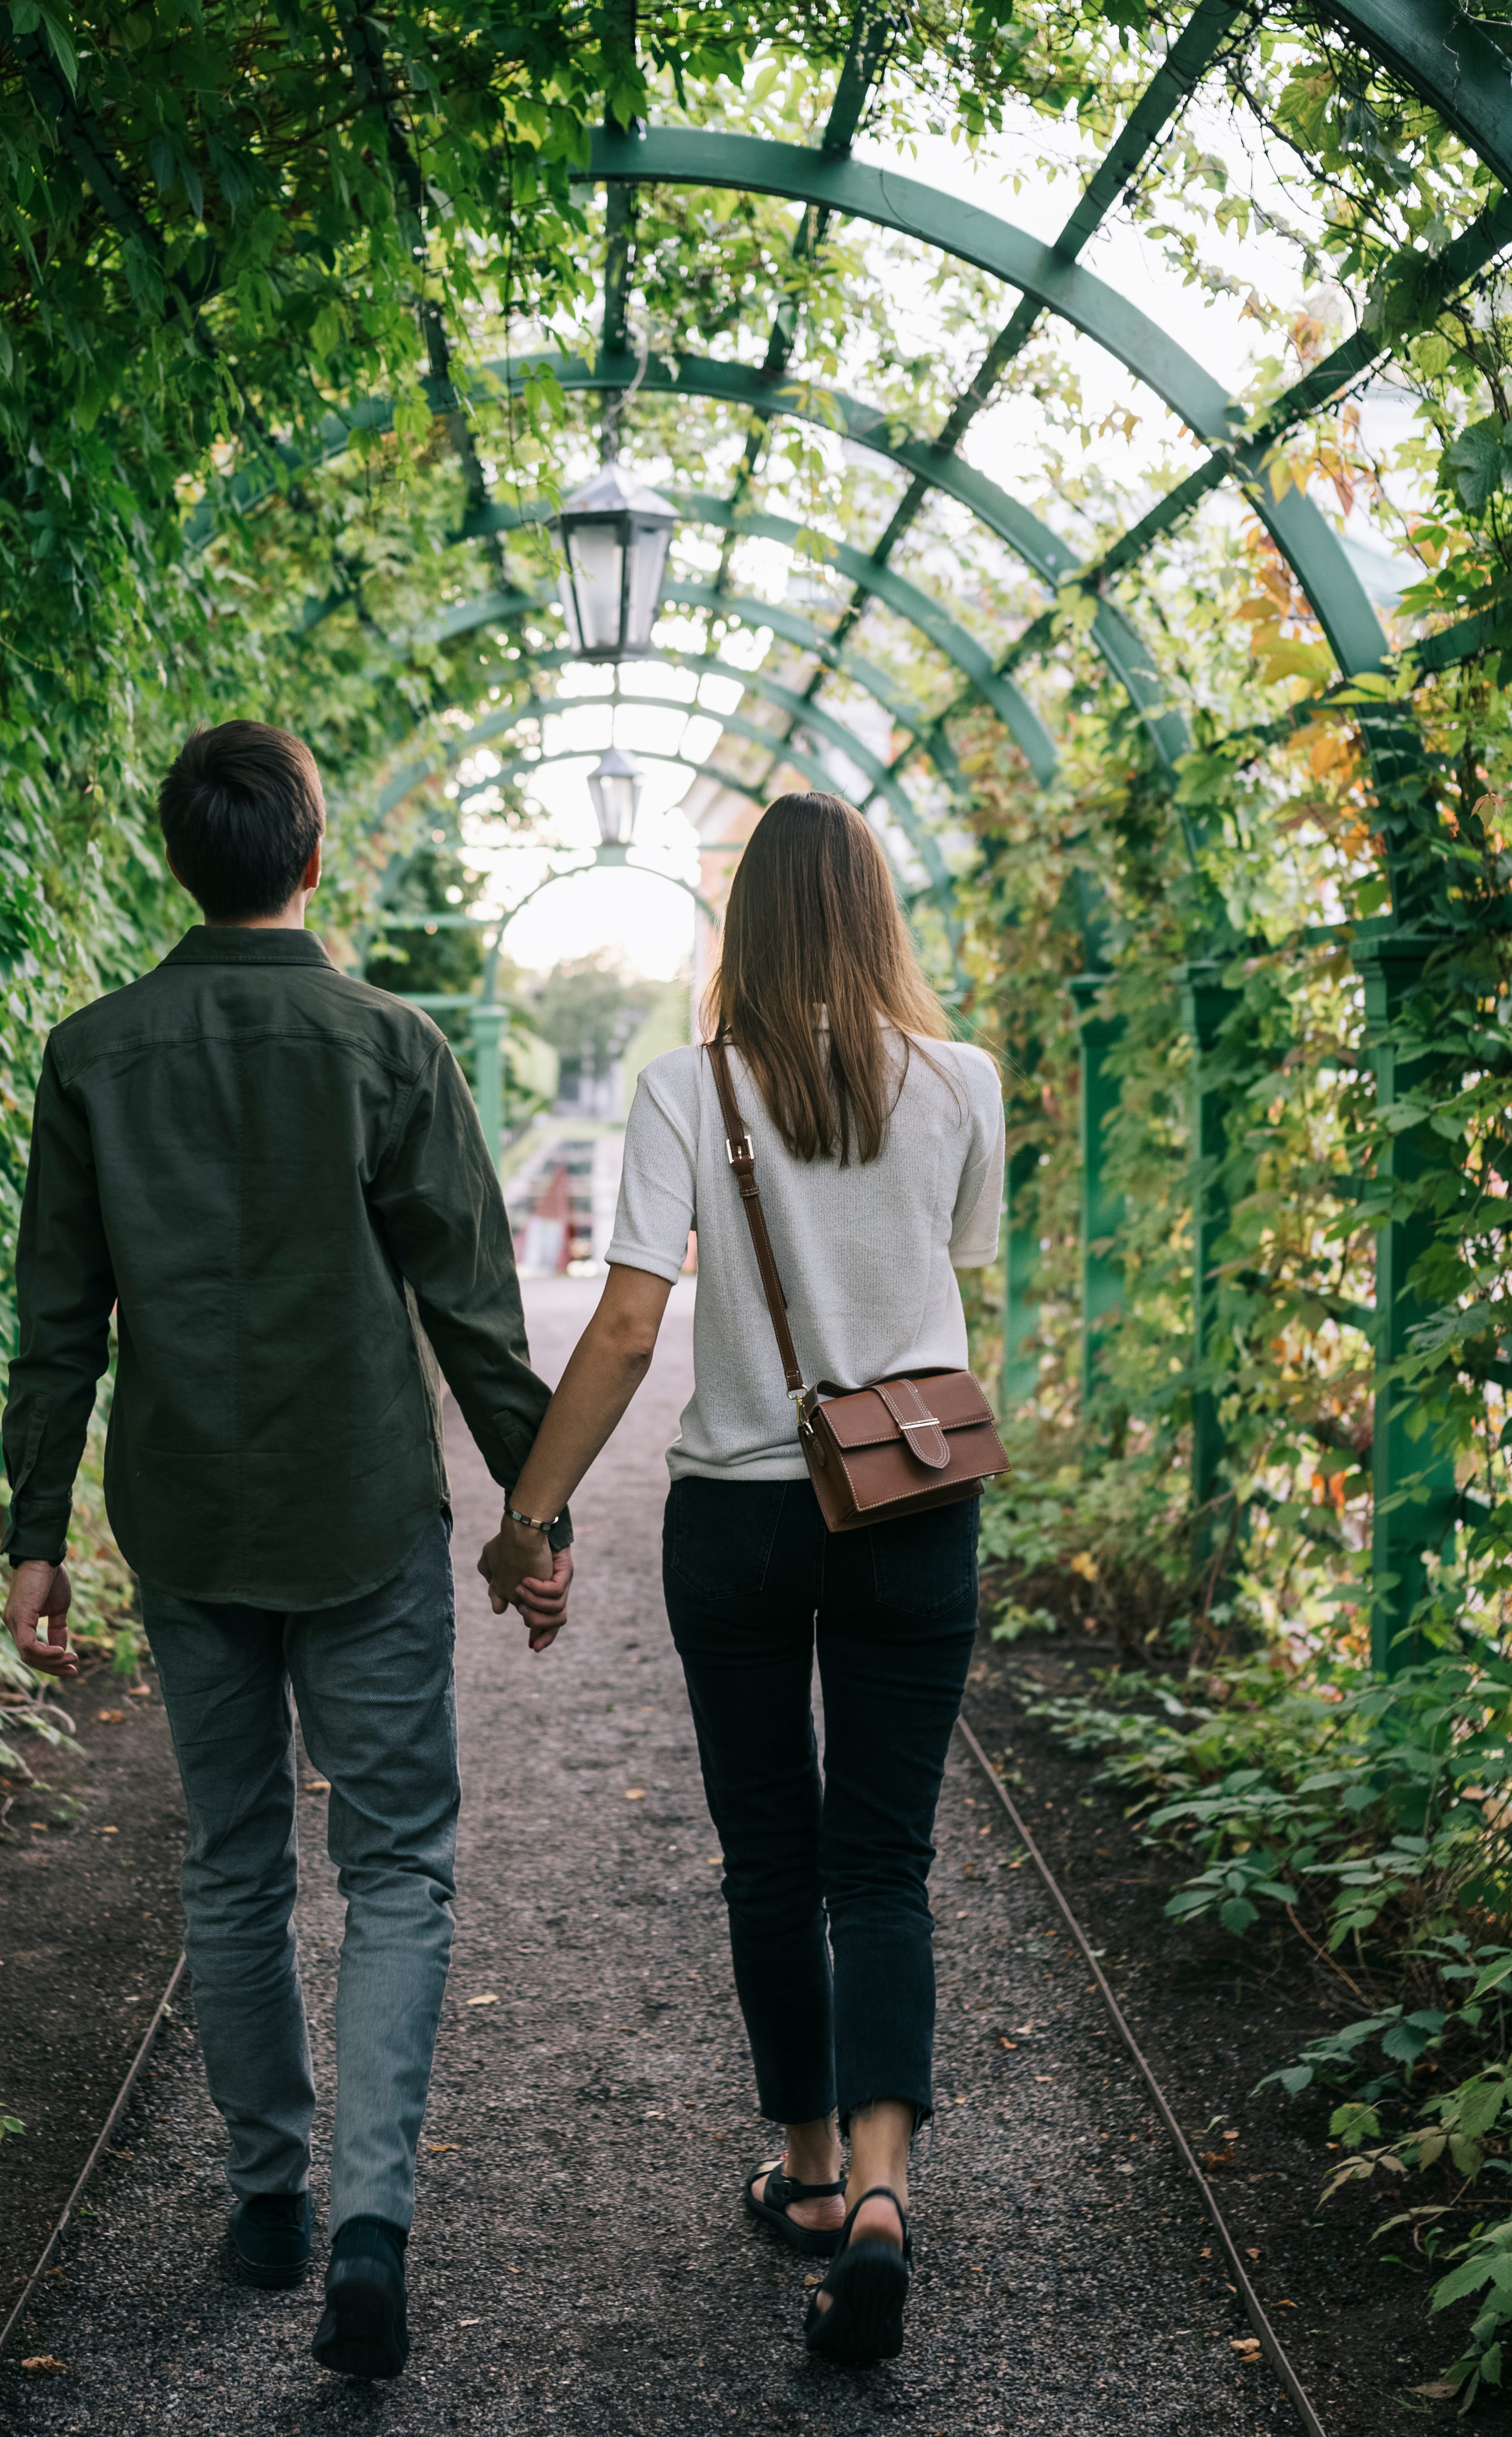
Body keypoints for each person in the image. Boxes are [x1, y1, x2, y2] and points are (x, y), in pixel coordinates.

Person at [0, 720, 569, 2382]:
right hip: (363, 1513)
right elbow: (474, 1306)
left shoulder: (92, 1052)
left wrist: (35, 1533)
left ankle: (267, 2199)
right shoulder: (388, 1044)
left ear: (183, 858)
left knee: (231, 1857)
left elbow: (59, 1321)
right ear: (314, 855)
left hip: (184, 1517)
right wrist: (531, 1525)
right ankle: (372, 2228)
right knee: (396, 1870)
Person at [473, 790, 1003, 2366]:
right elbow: (953, 1274)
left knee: (773, 1857)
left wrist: (529, 1515)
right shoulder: (965, 1080)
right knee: (886, 1862)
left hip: (746, 1519)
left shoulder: (681, 1089)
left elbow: (631, 1327)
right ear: (879, 914)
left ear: (746, 927)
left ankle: (813, 2175)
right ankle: (896, 2192)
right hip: (916, 1506)